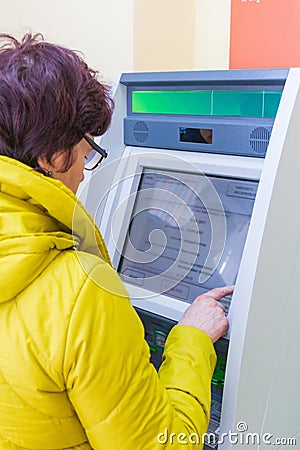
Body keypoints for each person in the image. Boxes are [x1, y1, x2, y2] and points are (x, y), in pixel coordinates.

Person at [0, 33, 232, 449]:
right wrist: (192, 339)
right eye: (86, 148)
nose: (86, 171)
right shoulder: (80, 291)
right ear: (52, 157)